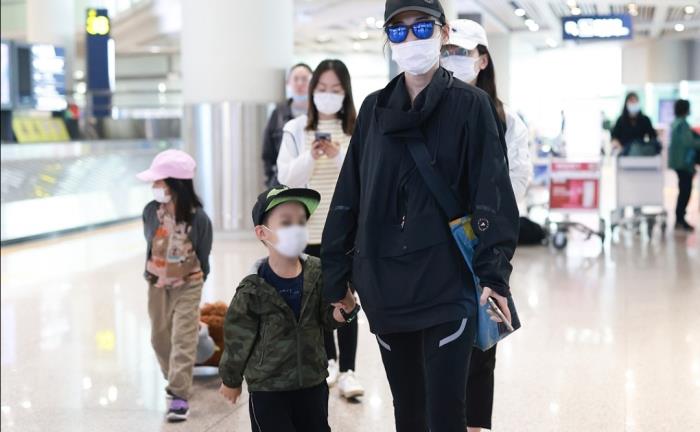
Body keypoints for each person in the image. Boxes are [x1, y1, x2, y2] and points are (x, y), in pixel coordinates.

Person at [321, 1, 520, 430]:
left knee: (446, 412)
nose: (410, 38)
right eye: (398, 30)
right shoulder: (374, 111)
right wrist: (337, 277)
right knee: (409, 411)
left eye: (422, 27)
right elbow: (350, 195)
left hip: (447, 283)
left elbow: (492, 194)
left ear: (444, 33)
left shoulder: (471, 106)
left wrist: (495, 274)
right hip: (385, 285)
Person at [440, 19, 531, 432]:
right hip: (435, 245)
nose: (452, 60)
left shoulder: (505, 119)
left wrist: (484, 222)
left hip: (481, 245)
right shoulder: (426, 110)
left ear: (482, 60)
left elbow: (515, 184)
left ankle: (475, 426)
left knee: (482, 337)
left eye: (462, 52)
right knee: (439, 341)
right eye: (447, 52)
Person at [218, 185, 357, 432]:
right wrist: (231, 379)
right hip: (268, 388)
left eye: (301, 222)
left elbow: (326, 318)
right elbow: (238, 337)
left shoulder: (317, 272)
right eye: (286, 222)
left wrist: (343, 310)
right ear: (262, 232)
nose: (297, 228)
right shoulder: (252, 288)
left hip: (312, 381)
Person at [276, 59, 364, 399]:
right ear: (312, 91)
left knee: (347, 298)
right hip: (308, 232)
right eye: (322, 89)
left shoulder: (357, 129)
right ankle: (329, 361)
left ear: (346, 92)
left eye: (336, 89)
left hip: (347, 232)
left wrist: (338, 155)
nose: (328, 95)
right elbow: (287, 178)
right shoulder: (296, 129)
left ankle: (349, 370)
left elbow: (363, 177)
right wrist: (311, 156)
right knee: (318, 299)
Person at [137, 149, 213, 422]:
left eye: (158, 181)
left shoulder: (198, 219)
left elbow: (203, 254)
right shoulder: (150, 212)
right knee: (159, 338)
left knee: (182, 337)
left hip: (188, 283)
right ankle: (178, 373)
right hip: (157, 284)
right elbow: (150, 244)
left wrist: (199, 279)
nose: (154, 185)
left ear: (175, 184)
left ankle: (179, 394)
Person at [262, 63, 314, 187]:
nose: (300, 83)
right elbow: (267, 152)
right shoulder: (278, 114)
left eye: (304, 79)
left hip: (311, 183)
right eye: (295, 79)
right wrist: (272, 181)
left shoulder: (319, 114)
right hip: (283, 184)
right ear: (288, 83)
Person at [668, 99, 700, 232]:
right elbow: (689, 142)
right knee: (685, 190)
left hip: (679, 163)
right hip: (683, 164)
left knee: (684, 190)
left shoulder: (676, 123)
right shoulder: (682, 125)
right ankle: (680, 219)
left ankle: (680, 219)